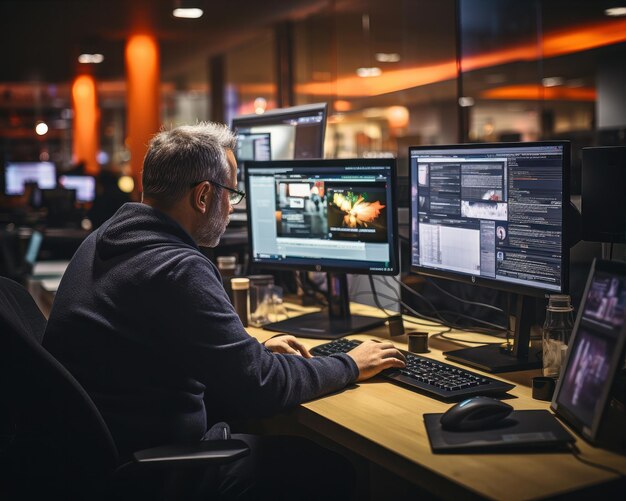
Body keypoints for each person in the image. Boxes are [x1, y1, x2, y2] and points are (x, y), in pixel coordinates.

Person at [43, 122, 406, 498]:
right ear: (202, 196)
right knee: (330, 468)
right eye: (231, 194)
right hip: (157, 470)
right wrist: (351, 363)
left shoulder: (104, 239)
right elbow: (260, 388)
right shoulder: (178, 267)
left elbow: (163, 345)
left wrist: (253, 352)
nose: (233, 208)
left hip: (102, 456)